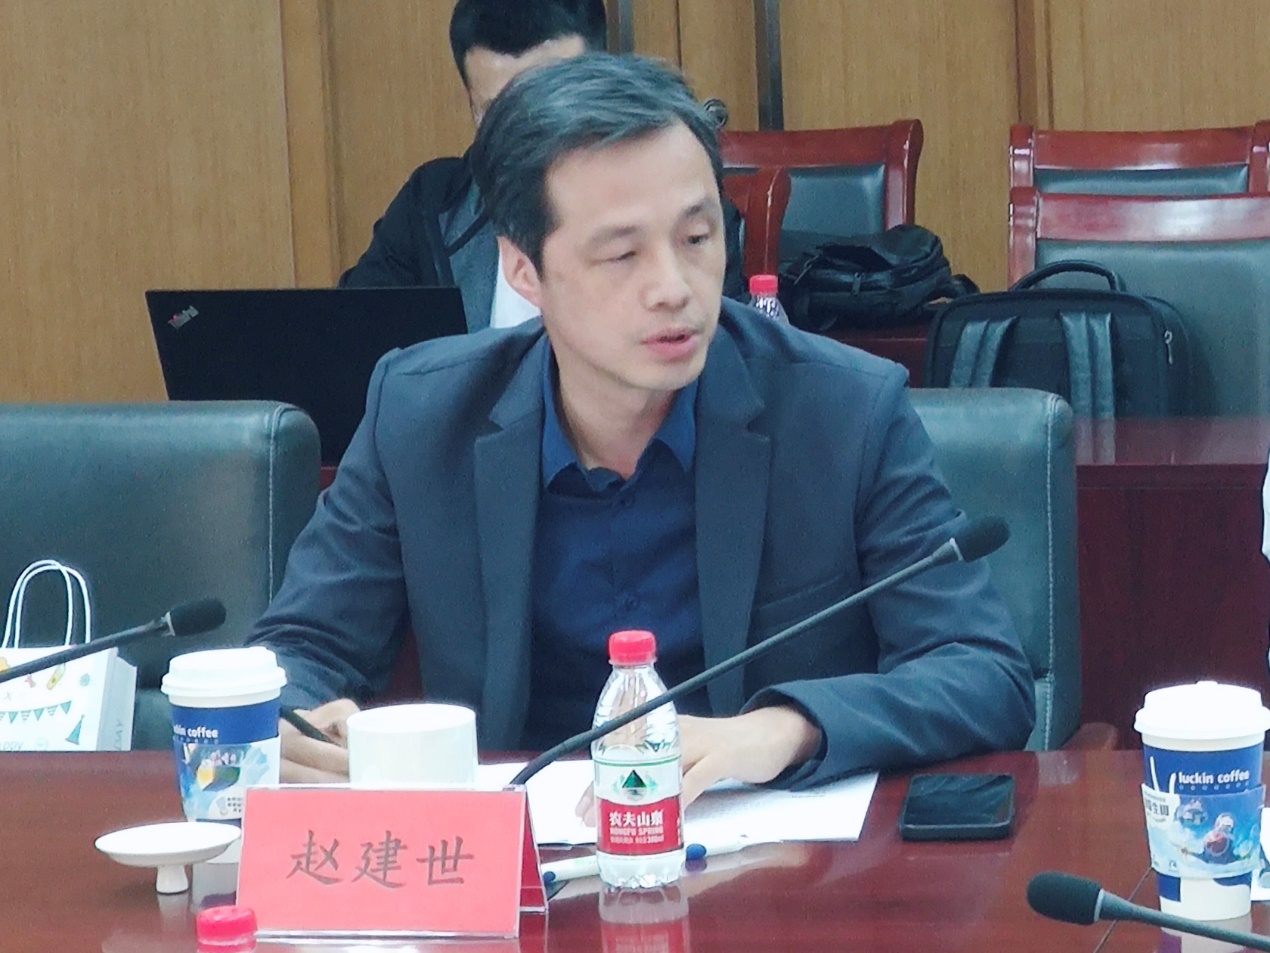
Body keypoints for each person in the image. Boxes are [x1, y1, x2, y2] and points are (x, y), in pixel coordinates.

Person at [248, 54, 1035, 802]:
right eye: (622, 254)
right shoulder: (421, 417)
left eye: (696, 239)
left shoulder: (844, 411)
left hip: (764, 855)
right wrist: (298, 715)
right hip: (519, 863)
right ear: (523, 269)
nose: (673, 287)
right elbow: (300, 648)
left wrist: (785, 727)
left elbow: (982, 670)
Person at [339, 0, 745, 330]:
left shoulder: (680, 213)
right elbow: (353, 341)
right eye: (500, 114)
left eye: (553, 109)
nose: (531, 138)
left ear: (602, 81)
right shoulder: (434, 205)